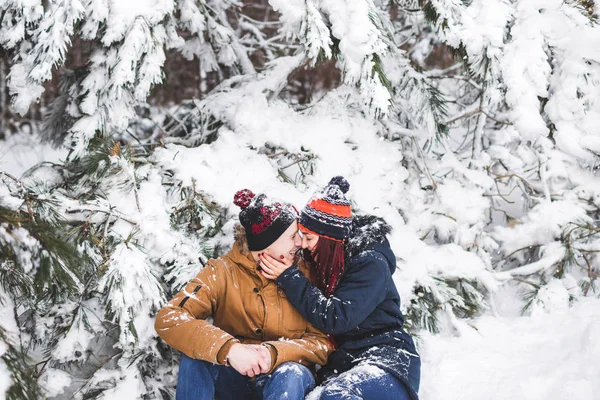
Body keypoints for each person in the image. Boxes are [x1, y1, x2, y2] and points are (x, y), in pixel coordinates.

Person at [155, 189, 333, 400]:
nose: (299, 243)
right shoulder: (221, 272)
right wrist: (228, 349)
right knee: (196, 359)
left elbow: (324, 342)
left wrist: (274, 354)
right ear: (266, 244)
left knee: (291, 375)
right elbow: (170, 317)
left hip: (285, 377)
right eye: (292, 236)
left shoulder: (307, 273)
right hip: (234, 377)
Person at [259, 176, 421, 400]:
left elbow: (337, 317)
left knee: (337, 394)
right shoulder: (325, 260)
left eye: (308, 237)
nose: (302, 245)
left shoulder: (370, 263)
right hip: (342, 363)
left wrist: (289, 276)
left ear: (329, 239)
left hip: (386, 359)